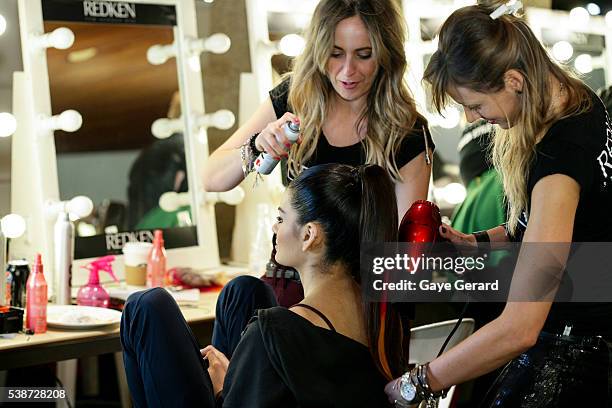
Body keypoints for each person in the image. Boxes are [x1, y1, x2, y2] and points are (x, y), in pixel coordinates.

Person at [384, 1, 612, 407]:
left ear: (514, 81)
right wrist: (480, 243)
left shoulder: (559, 164)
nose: (472, 119)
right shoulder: (578, 103)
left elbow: (520, 327)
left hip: (578, 355)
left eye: (475, 105)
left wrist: (416, 383)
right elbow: (562, 230)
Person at [202, 0, 434, 307]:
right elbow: (212, 178)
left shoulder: (408, 133)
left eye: (364, 55)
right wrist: (256, 145)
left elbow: (402, 261)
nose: (348, 71)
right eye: (335, 54)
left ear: (385, 55)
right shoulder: (294, 98)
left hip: (357, 302)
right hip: (285, 287)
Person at [121, 163, 407, 407]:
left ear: (309, 235)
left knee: (146, 306)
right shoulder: (382, 315)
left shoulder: (270, 332)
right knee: (245, 290)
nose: (275, 228)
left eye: (281, 219)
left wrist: (224, 388)